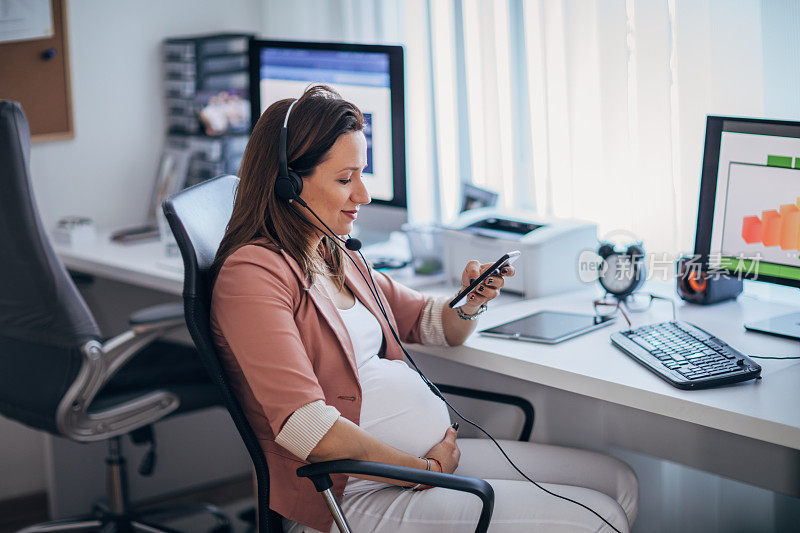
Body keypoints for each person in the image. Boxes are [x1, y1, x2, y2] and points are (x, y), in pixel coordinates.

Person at [210, 85, 638, 532]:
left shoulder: (333, 252)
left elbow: (430, 323)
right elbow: (307, 430)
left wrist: (470, 301)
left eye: (362, 174)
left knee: (618, 482)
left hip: (416, 468)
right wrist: (422, 471)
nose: (364, 195)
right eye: (344, 179)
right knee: (599, 519)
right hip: (347, 493)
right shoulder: (253, 275)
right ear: (287, 184)